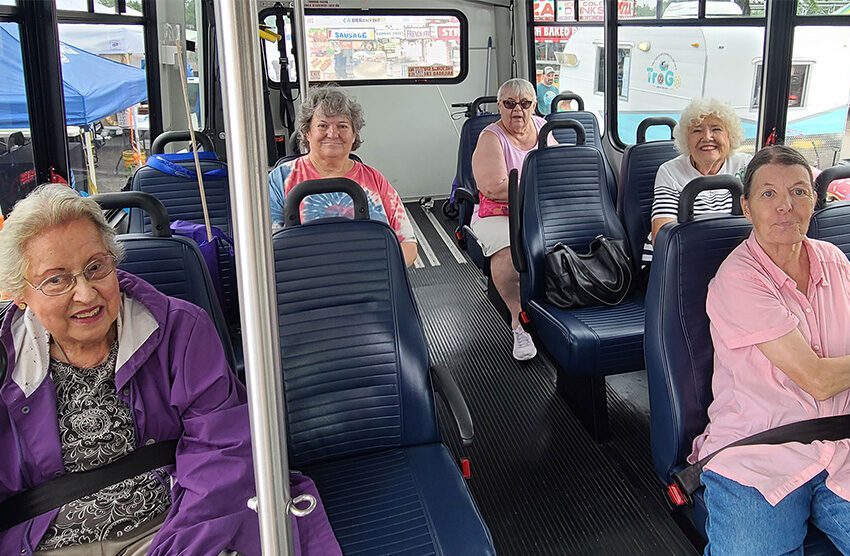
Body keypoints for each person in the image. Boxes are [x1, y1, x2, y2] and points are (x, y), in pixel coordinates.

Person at [0, 184, 263, 555]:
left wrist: (182, 548)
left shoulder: (180, 330)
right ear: (19, 293)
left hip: (172, 525)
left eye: (96, 267)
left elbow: (223, 450)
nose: (87, 294)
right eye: (57, 279)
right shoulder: (5, 361)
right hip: (40, 541)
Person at [693, 145, 850, 554]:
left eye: (799, 192)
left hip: (843, 443)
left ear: (815, 201)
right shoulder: (738, 279)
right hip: (760, 450)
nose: (785, 206)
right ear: (746, 207)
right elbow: (817, 379)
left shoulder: (834, 260)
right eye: (768, 195)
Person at [268, 86, 418, 267]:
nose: (333, 133)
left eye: (343, 126)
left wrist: (374, 271)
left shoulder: (375, 180)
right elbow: (268, 248)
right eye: (322, 125)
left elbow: (408, 244)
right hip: (304, 285)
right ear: (307, 132)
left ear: (354, 135)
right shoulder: (280, 179)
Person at [471, 78, 556, 361]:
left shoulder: (544, 128)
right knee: (509, 253)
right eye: (509, 103)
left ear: (534, 105)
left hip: (537, 208)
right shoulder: (490, 137)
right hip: (498, 213)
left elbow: (560, 166)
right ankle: (518, 323)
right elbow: (493, 187)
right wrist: (538, 186)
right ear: (499, 106)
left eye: (525, 103)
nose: (517, 110)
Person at [644, 98, 751, 263]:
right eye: (697, 131)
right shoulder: (671, 171)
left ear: (730, 136)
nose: (707, 137)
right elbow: (662, 236)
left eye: (716, 129)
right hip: (678, 260)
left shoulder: (746, 165)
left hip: (737, 259)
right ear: (687, 139)